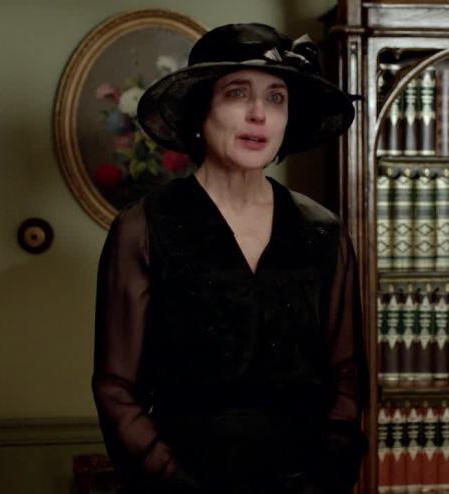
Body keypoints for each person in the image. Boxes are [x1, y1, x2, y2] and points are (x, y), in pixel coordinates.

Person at [92, 23, 369, 493]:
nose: (259, 114)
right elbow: (116, 389)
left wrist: (322, 479)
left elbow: (348, 379)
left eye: (276, 98)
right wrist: (173, 480)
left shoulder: (323, 230)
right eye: (238, 93)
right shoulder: (143, 228)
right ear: (201, 111)